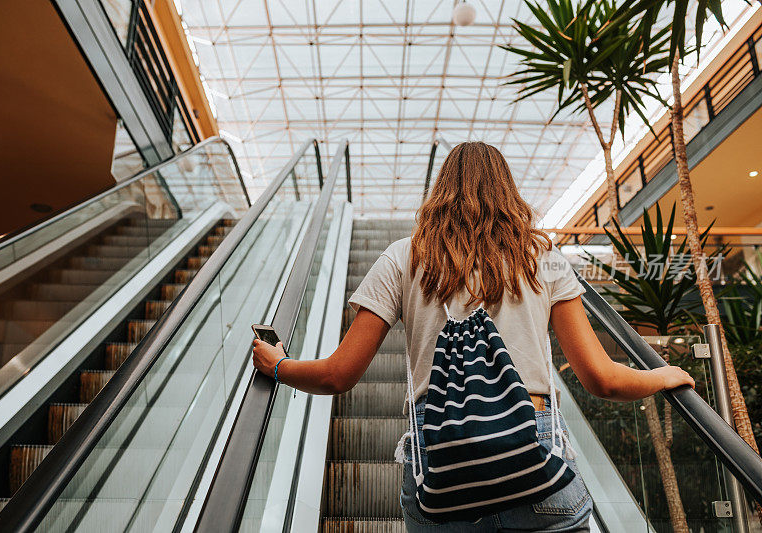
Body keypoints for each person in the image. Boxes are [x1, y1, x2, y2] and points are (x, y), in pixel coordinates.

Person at [251, 141, 695, 532]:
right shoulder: (545, 258)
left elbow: (337, 375)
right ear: (508, 192)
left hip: (441, 459)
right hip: (532, 448)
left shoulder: (402, 258)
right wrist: (664, 375)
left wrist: (277, 364)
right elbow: (604, 380)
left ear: (440, 191)